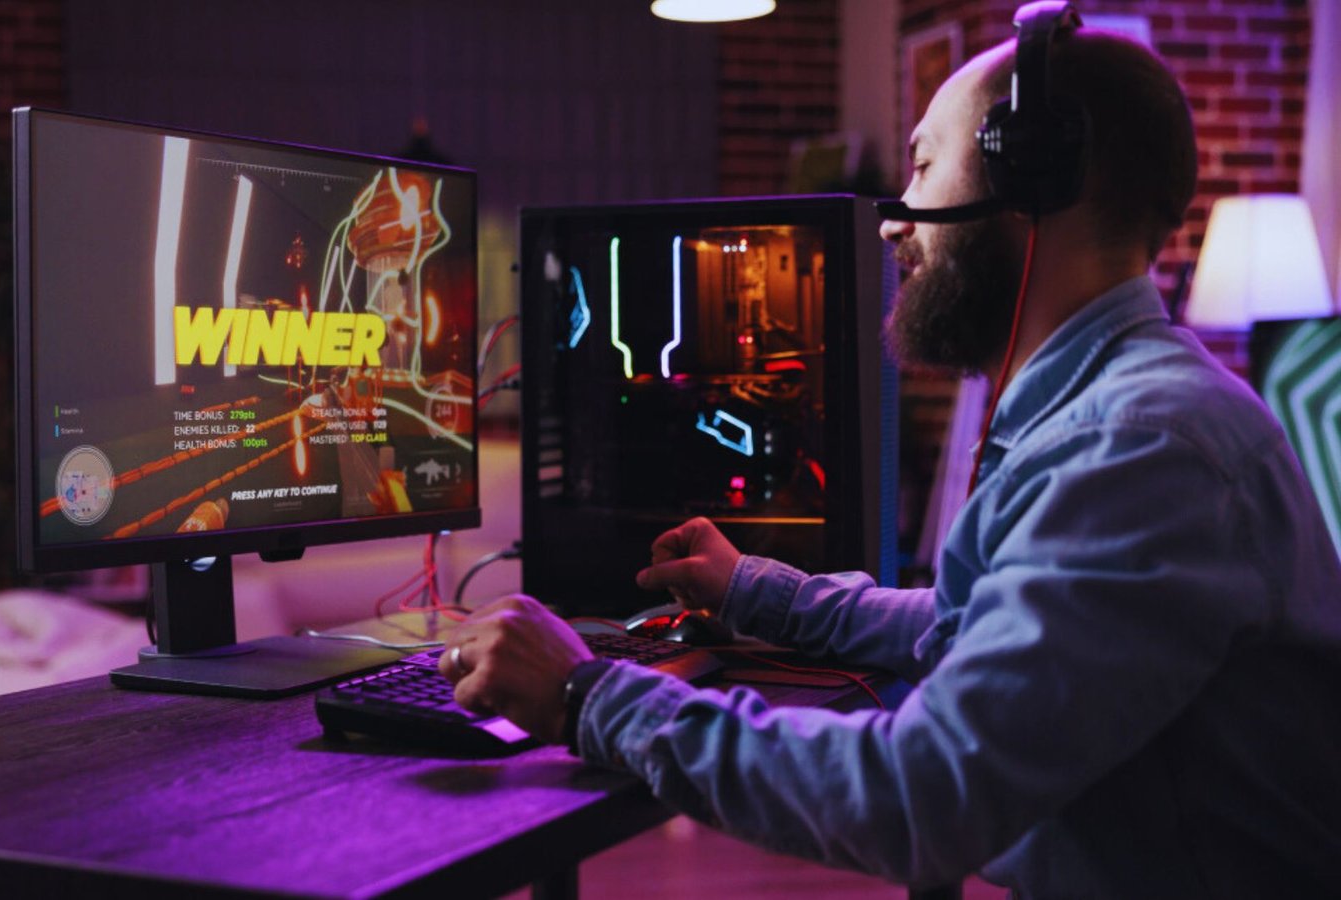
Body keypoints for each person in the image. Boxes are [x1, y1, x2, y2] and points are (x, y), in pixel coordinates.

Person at [436, 15, 1341, 897]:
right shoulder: (1111, 409)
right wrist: (755, 586)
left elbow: (921, 793)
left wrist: (585, 696)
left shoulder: (1138, 450)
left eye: (922, 164)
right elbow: (977, 624)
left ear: (1030, 181)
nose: (890, 224)